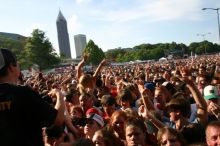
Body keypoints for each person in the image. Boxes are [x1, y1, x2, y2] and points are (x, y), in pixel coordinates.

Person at [0, 48, 65, 146]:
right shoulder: (23, 93)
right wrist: (59, 94)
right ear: (11, 67)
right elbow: (58, 119)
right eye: (17, 64)